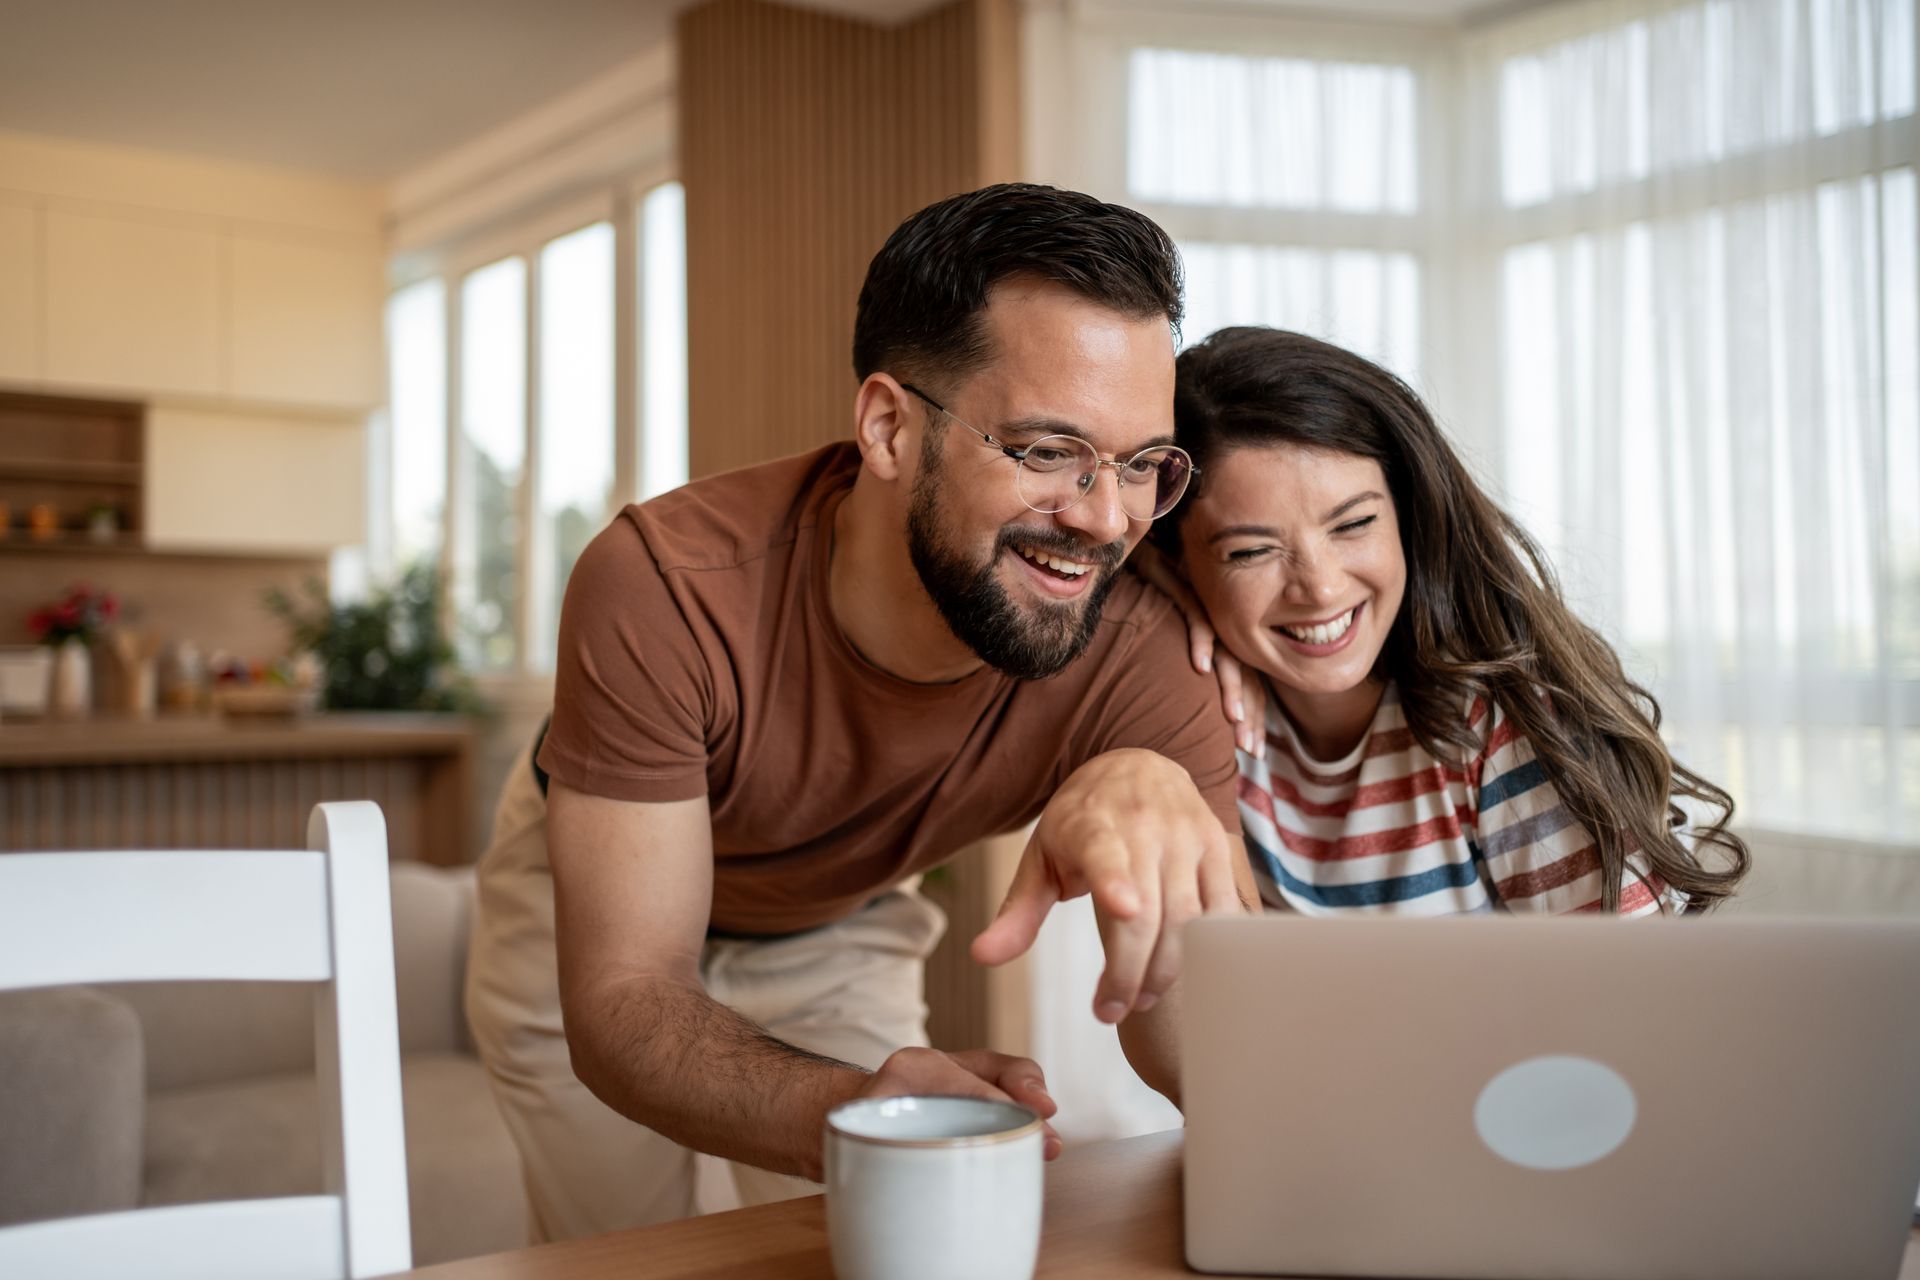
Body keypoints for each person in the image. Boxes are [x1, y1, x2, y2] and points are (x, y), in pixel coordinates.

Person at [465, 184, 1257, 1245]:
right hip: (588, 894)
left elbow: (1207, 1041)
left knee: (883, 1236)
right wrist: (863, 1113)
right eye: (1044, 451)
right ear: (889, 426)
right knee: (620, 1247)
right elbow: (624, 998)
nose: (1105, 517)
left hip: (839, 916)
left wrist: (1174, 837)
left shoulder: (1145, 648)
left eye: (1140, 463)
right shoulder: (664, 583)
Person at [1140, 326, 1749, 915]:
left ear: (1408, 514)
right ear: (1179, 559)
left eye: (1354, 524)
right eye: (1250, 552)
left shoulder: (1504, 721)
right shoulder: (1196, 704)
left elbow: (1638, 1000)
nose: (1321, 587)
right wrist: (1157, 583)